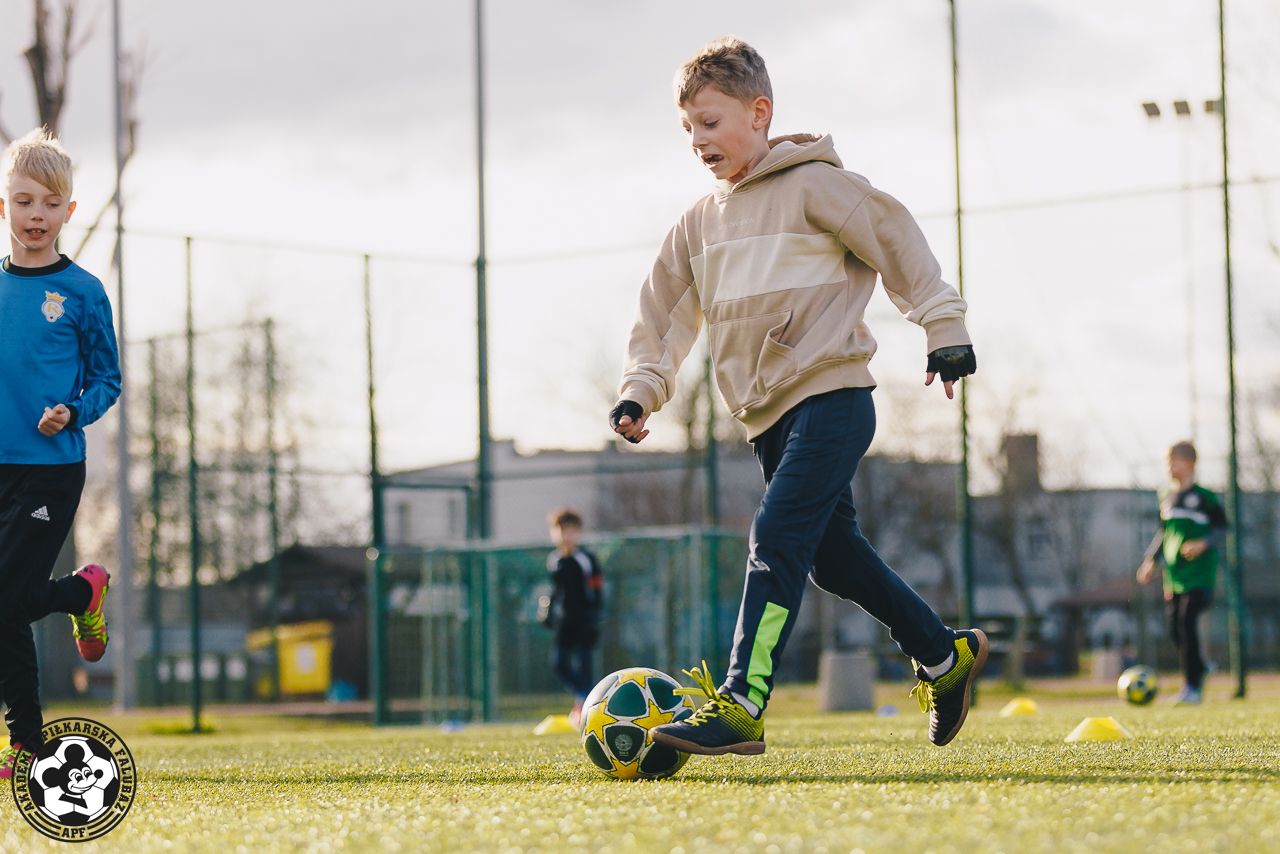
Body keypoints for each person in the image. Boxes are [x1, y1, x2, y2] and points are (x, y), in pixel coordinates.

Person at [609, 37, 986, 756]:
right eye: (688, 128)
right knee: (832, 559)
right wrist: (641, 390)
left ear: (759, 114)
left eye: (711, 123)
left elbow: (896, 240)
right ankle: (944, 656)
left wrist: (944, 326)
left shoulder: (815, 186)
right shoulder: (697, 225)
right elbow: (662, 316)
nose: (698, 140)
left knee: (777, 536)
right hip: (767, 419)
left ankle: (742, 702)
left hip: (833, 394)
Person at [0, 128, 119, 779]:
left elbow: (107, 379)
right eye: (24, 202)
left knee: (4, 601)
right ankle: (81, 592)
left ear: (68, 211)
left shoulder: (82, 292)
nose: (36, 215)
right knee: (7, 602)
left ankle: (26, 746)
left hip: (50, 471)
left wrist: (73, 410)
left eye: (50, 203)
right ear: (4, 207)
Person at [1136, 440, 1226, 705]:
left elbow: (1222, 528)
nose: (1169, 467)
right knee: (1175, 630)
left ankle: (1192, 688)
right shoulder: (1166, 496)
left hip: (1199, 573)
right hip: (1174, 576)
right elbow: (1164, 533)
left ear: (1189, 463)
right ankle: (1200, 666)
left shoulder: (1205, 497)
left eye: (1173, 462)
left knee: (1187, 622)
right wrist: (1151, 561)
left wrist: (1202, 543)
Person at [543, 508, 603, 727]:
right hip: (565, 622)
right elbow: (556, 590)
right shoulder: (554, 559)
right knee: (559, 664)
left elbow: (596, 589)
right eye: (561, 530)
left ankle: (586, 707)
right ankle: (584, 697)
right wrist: (548, 610)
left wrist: (595, 617)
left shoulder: (586, 559)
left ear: (578, 532)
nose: (565, 535)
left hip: (584, 621)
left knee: (585, 666)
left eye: (570, 530)